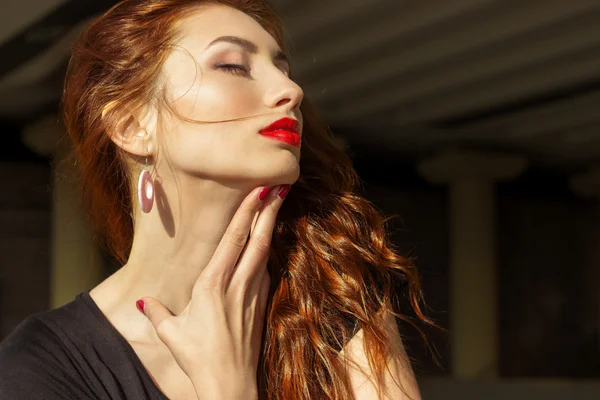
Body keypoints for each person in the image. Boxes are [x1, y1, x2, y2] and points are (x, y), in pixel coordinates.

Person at [0, 0, 434, 399]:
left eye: (284, 68)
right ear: (132, 126)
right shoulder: (43, 367)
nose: (291, 90)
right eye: (232, 65)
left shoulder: (334, 300)